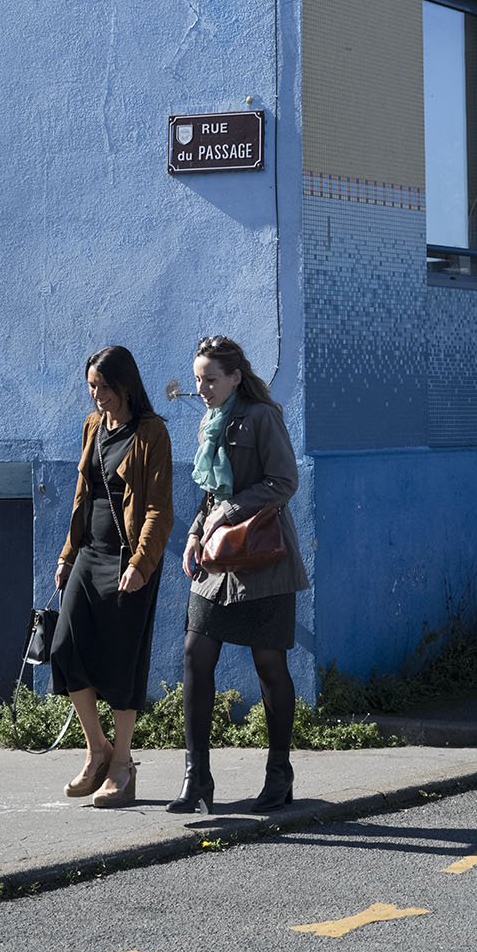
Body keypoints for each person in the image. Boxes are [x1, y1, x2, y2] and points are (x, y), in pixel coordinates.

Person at [166, 334, 310, 815]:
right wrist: (195, 533)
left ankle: (279, 773)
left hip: (264, 560)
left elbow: (284, 482)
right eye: (197, 380)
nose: (201, 389)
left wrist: (226, 513)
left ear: (234, 377)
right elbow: (209, 492)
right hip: (217, 561)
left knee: (269, 664)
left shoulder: (263, 417)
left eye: (210, 379)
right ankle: (197, 776)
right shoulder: (210, 422)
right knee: (195, 652)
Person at [51, 345, 173, 807]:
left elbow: (158, 508)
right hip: (89, 553)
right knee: (64, 648)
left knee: (124, 662)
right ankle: (97, 749)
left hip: (129, 559)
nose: (96, 394)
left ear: (125, 384)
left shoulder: (151, 432)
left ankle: (122, 765)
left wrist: (142, 564)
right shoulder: (93, 426)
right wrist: (67, 554)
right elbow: (82, 495)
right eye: (91, 386)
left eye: (103, 386)